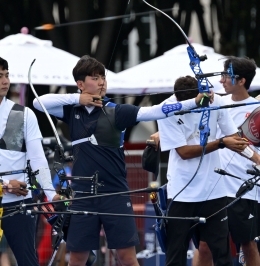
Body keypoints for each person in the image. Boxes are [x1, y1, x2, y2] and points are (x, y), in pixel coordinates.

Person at [32, 55, 211, 266]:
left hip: (115, 193)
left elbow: (155, 111)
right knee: (78, 259)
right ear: (80, 84)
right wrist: (78, 99)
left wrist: (194, 101)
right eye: (95, 78)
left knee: (126, 258)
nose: (101, 82)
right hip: (83, 195)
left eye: (103, 77)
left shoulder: (118, 111)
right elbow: (37, 102)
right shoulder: (72, 110)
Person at [156, 75, 257, 266]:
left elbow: (234, 139)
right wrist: (220, 143)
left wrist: (258, 160)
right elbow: (184, 152)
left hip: (214, 192)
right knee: (175, 256)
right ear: (178, 99)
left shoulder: (214, 100)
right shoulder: (167, 109)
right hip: (181, 194)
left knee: (222, 255)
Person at [0, 55, 59, 266]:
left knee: (28, 261)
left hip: (19, 203)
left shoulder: (24, 114)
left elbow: (38, 159)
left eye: (7, 75)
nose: (6, 81)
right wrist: (3, 185)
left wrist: (51, 194)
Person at [215, 56, 260, 265]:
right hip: (213, 186)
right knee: (207, 245)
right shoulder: (216, 104)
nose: (222, 80)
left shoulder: (257, 107)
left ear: (242, 80)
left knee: (247, 244)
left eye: (226, 75)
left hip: (245, 187)